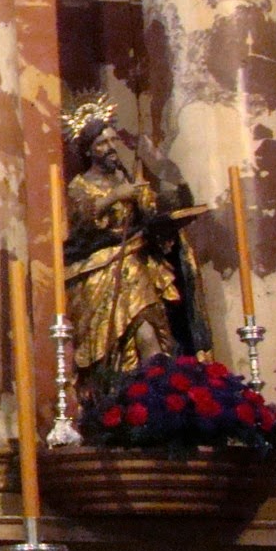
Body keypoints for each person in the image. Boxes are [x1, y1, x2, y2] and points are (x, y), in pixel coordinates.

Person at [62, 99, 211, 391]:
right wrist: (115, 196)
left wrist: (173, 179)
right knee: (115, 342)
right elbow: (79, 221)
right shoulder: (79, 185)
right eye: (101, 143)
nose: (110, 147)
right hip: (99, 271)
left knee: (148, 329)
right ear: (88, 150)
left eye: (112, 140)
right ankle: (125, 393)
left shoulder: (129, 179)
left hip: (135, 263)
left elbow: (156, 211)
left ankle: (155, 396)